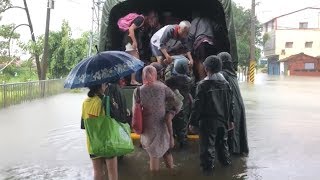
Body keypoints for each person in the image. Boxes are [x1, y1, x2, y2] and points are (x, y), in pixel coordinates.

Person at [189, 55, 233, 175]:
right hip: (223, 121)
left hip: (207, 123)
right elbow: (230, 104)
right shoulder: (226, 84)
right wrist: (231, 120)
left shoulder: (203, 85)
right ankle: (227, 172)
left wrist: (192, 123)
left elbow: (197, 106)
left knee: (207, 151)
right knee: (223, 148)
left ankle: (208, 174)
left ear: (206, 68)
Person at [132, 65, 182, 172]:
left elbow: (135, 112)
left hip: (147, 128)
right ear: (155, 74)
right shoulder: (163, 88)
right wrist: (171, 113)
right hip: (162, 125)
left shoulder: (138, 91)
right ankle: (172, 174)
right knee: (167, 151)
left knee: (153, 156)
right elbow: (178, 103)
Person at [82, 83, 118, 180]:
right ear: (100, 86)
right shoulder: (105, 100)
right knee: (112, 173)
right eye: (105, 84)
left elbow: (83, 125)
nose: (106, 86)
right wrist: (114, 105)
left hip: (93, 143)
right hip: (107, 142)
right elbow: (117, 119)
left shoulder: (85, 102)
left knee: (97, 172)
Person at [218, 52, 249, 155]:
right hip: (239, 105)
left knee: (231, 131)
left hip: (232, 105)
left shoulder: (222, 74)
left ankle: (233, 155)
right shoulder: (233, 74)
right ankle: (240, 152)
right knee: (238, 129)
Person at [118, 11, 159, 85]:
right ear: (150, 18)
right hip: (129, 41)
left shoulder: (143, 24)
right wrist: (134, 42)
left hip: (128, 41)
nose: (153, 23)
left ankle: (125, 80)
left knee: (130, 61)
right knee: (135, 60)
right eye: (153, 20)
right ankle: (132, 80)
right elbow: (131, 29)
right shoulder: (141, 19)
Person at [165, 57, 193, 148]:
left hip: (172, 106)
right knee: (183, 126)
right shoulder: (189, 81)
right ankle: (183, 142)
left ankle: (171, 141)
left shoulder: (170, 80)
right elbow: (191, 75)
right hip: (184, 106)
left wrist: (171, 64)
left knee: (171, 124)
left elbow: (167, 73)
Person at [189, 17, 218, 82]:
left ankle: (202, 81)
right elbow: (217, 28)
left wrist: (190, 48)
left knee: (200, 61)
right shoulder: (211, 19)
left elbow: (191, 34)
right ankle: (210, 80)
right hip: (211, 42)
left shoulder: (196, 20)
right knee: (210, 61)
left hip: (201, 42)